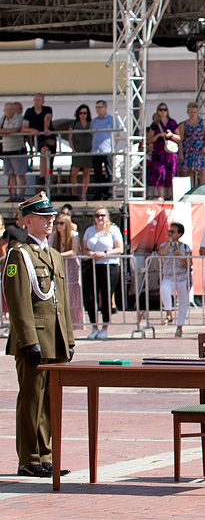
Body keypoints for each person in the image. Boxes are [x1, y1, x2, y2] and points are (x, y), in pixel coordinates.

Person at [4, 192, 74, 478]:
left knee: (50, 402)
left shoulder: (53, 255)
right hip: (34, 341)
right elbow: (18, 301)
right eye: (43, 217)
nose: (50, 222)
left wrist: (68, 338)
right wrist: (28, 339)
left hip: (55, 340)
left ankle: (47, 456)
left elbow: (62, 302)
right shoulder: (19, 255)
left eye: (51, 217)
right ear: (27, 220)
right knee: (32, 400)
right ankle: (29, 459)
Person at [80, 207, 123, 340]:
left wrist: (104, 254)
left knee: (106, 296)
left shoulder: (113, 230)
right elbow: (84, 249)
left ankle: (105, 327)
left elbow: (119, 248)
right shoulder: (89, 231)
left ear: (107, 216)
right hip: (92, 265)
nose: (100, 218)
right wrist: (90, 254)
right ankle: (94, 326)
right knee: (90, 297)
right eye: (97, 215)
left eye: (103, 215)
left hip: (109, 265)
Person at [156, 222, 192, 338]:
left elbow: (189, 264)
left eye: (173, 231)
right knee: (164, 289)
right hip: (169, 276)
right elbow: (162, 253)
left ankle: (179, 327)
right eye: (169, 231)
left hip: (183, 277)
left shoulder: (185, 247)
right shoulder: (164, 245)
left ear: (179, 234)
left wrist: (180, 255)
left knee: (183, 303)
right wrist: (169, 243)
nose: (170, 233)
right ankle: (169, 314)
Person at [49, 213, 83, 329]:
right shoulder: (53, 236)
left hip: (71, 266)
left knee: (72, 293)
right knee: (58, 292)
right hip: (58, 265)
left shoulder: (74, 235)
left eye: (61, 223)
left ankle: (73, 323)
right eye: (57, 223)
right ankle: (59, 322)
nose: (59, 226)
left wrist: (58, 254)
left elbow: (73, 252)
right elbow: (48, 249)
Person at [145, 103, 180, 200]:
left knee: (171, 173)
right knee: (160, 173)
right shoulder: (155, 124)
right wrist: (159, 135)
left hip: (170, 153)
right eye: (160, 110)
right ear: (157, 111)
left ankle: (172, 195)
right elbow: (150, 139)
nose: (163, 111)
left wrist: (171, 135)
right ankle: (161, 195)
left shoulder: (172, 123)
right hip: (159, 153)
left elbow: (179, 137)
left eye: (164, 109)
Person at [21, 94, 54, 189]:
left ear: (43, 102)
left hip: (49, 138)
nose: (36, 101)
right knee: (44, 151)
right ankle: (42, 177)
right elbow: (24, 127)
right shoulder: (29, 112)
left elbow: (47, 117)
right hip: (38, 139)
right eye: (35, 99)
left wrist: (46, 128)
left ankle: (48, 190)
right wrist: (32, 130)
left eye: (39, 100)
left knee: (50, 164)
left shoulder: (47, 109)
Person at [176, 102, 205, 187]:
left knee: (202, 172)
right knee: (189, 173)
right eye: (191, 112)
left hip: (199, 150)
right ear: (188, 112)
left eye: (195, 112)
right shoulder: (183, 124)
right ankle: (191, 191)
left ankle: (203, 192)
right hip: (188, 150)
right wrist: (180, 153)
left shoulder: (202, 122)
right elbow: (180, 139)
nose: (193, 114)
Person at [0, 102, 27, 202]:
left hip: (17, 150)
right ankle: (13, 195)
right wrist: (9, 131)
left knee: (20, 174)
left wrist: (4, 131)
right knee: (11, 174)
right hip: (6, 150)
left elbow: (16, 129)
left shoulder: (19, 118)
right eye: (7, 109)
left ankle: (21, 195)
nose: (9, 111)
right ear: (4, 110)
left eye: (11, 109)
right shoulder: (3, 118)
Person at [89, 100, 114, 200]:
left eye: (100, 107)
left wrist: (112, 146)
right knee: (97, 173)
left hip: (107, 149)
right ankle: (98, 193)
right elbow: (92, 133)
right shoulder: (94, 121)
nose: (98, 109)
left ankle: (109, 193)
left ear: (105, 108)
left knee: (109, 172)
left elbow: (116, 134)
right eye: (97, 107)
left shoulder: (111, 119)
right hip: (96, 150)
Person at [68, 104, 92, 201]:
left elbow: (95, 136)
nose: (82, 115)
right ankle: (74, 194)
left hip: (88, 151)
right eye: (80, 113)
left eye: (84, 113)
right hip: (77, 151)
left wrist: (92, 149)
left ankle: (83, 195)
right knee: (73, 174)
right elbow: (70, 137)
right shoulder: (74, 124)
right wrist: (73, 149)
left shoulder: (91, 123)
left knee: (86, 174)